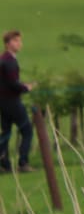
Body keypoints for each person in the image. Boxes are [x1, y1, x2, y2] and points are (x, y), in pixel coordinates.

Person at [0, 30, 36, 174]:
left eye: (19, 40)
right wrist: (26, 87)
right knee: (27, 130)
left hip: (2, 102)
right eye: (15, 41)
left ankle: (4, 164)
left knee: (6, 132)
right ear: (8, 44)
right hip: (12, 101)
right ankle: (23, 162)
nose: (19, 43)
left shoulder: (2, 59)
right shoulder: (9, 61)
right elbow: (12, 84)